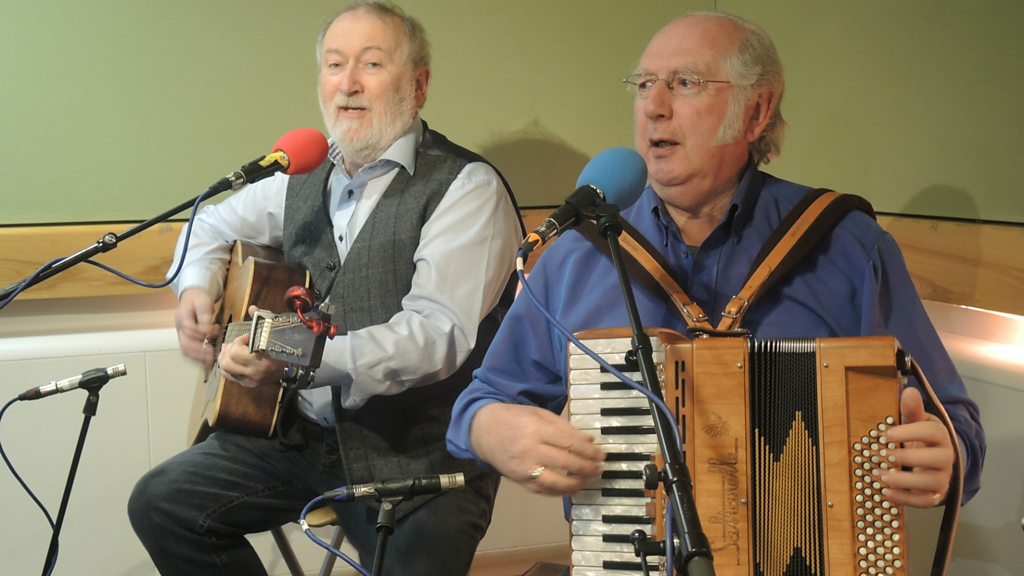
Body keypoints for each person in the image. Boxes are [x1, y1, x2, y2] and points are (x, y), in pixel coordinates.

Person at [447, 10, 984, 515]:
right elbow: (481, 403)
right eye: (644, 84)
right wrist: (493, 430)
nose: (654, 106)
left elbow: (956, 429)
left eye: (685, 83)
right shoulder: (579, 253)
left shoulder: (846, 246)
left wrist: (943, 456)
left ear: (756, 112)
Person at [128, 2, 524, 575]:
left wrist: (296, 355)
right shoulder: (299, 176)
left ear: (418, 85)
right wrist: (195, 290)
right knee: (163, 503)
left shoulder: (466, 187)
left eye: (371, 64)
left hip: (417, 453)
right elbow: (208, 225)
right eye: (335, 65)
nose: (348, 84)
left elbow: (434, 337)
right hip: (298, 438)